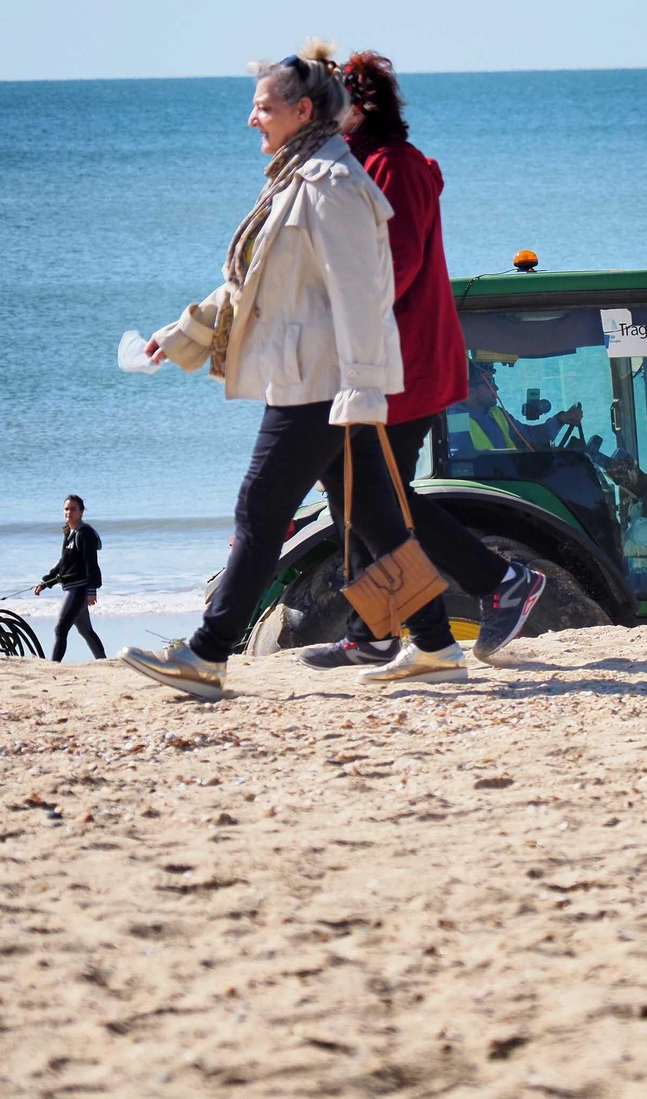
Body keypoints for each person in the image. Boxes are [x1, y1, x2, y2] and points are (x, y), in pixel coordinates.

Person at [116, 39, 443, 699]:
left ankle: (206, 656)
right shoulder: (298, 181)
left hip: (319, 385)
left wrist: (360, 387)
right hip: (311, 378)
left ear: (300, 110)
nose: (251, 118)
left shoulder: (332, 186)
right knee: (375, 516)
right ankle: (437, 645)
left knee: (259, 509)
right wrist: (177, 337)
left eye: (262, 107)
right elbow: (251, 286)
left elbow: (363, 294)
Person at [298, 50, 548, 673]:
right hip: (386, 363)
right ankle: (375, 630)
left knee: (373, 498)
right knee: (361, 494)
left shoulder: (395, 167)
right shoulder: (368, 164)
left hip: (401, 365)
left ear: (357, 107)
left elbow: (394, 268)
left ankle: (499, 579)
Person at [451, 357, 582, 453]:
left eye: (493, 381)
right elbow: (462, 459)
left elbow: (530, 437)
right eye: (488, 382)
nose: (496, 388)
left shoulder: (496, 414)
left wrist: (560, 420)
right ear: (469, 391)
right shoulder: (456, 419)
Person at [34, 494, 105, 661]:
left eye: (73, 509)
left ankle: (53, 665)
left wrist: (92, 590)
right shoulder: (69, 532)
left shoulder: (84, 533)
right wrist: (45, 582)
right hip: (70, 587)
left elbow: (91, 563)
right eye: (66, 509)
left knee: (60, 629)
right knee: (85, 630)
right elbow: (64, 563)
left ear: (81, 512)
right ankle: (103, 661)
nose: (69, 512)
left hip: (78, 588)